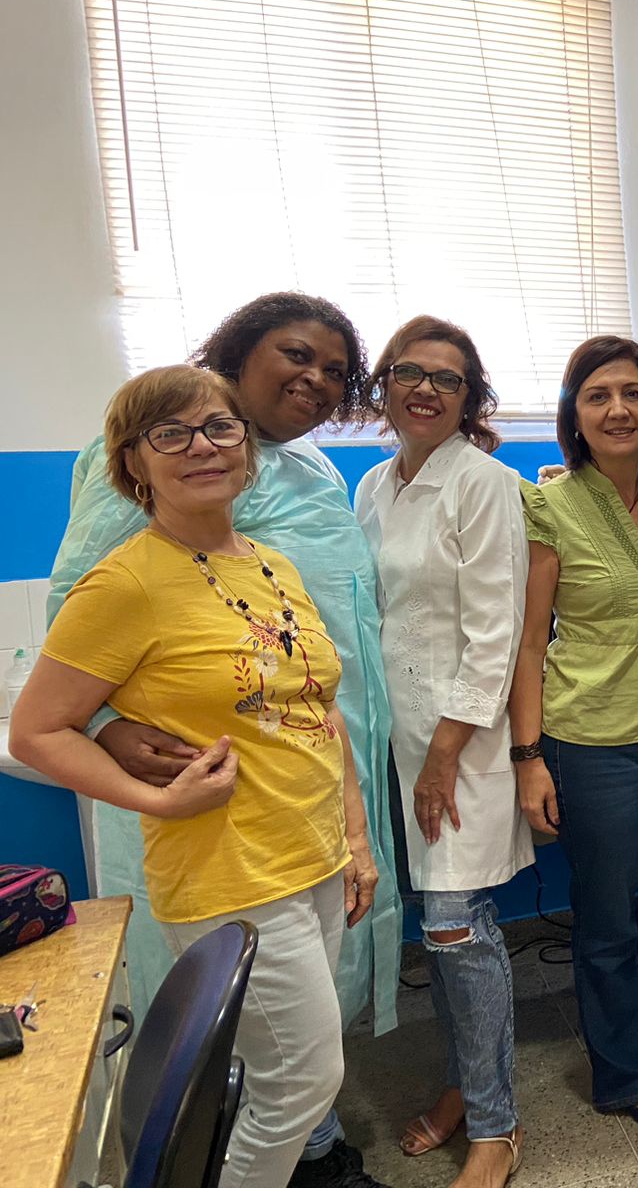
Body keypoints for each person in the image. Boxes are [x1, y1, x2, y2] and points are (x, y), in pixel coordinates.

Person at [46, 292, 399, 1188]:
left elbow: (318, 670)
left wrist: (354, 831)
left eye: (335, 371)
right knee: (232, 1035)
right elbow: (70, 627)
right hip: (214, 806)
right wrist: (109, 727)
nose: (316, 380)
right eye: (295, 355)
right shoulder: (157, 483)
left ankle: (303, 1148)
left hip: (311, 790)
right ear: (236, 356)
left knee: (298, 1033)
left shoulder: (304, 479)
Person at [512, 336, 638, 1134]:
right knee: (606, 917)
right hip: (594, 741)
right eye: (598, 396)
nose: (619, 410)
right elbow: (530, 643)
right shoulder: (549, 506)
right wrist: (529, 758)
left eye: (633, 393)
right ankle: (628, 1075)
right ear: (574, 414)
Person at [354, 318, 531, 1188]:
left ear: (471, 399)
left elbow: (497, 632)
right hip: (392, 742)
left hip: (458, 745)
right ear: (383, 385)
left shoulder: (484, 483)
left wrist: (442, 754)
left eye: (448, 379)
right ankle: (465, 1088)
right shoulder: (373, 487)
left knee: (457, 928)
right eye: (409, 373)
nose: (425, 389)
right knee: (437, 928)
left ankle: (497, 1126)